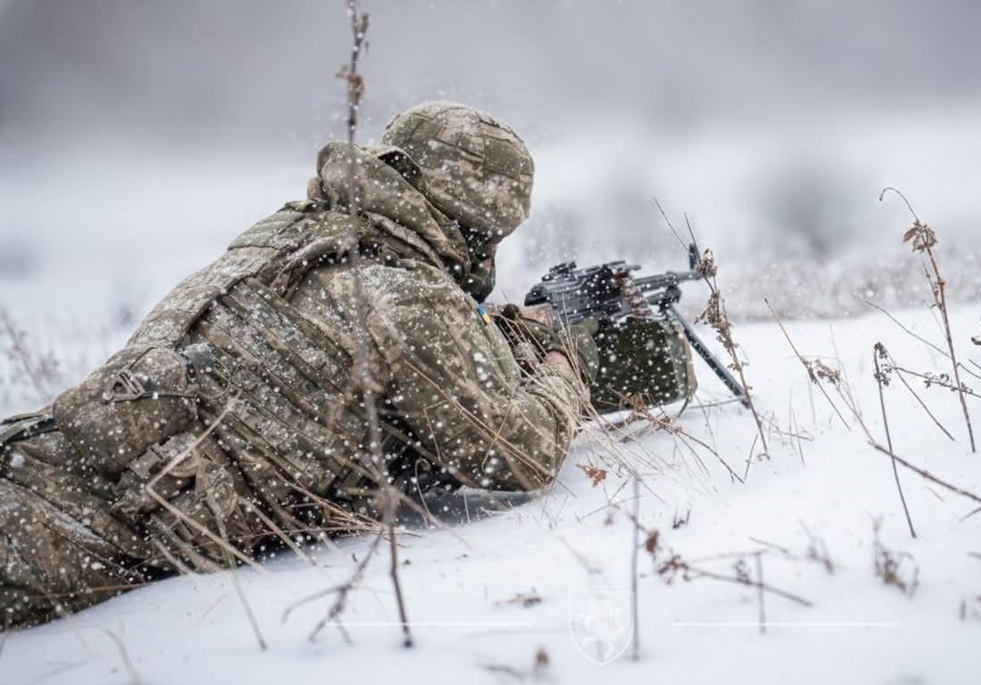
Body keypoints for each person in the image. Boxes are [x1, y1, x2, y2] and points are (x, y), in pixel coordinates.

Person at [0, 101, 594, 629]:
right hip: (77, 528)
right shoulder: (406, 294)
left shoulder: (285, 230)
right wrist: (563, 365)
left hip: (45, 447)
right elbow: (519, 454)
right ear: (475, 222)